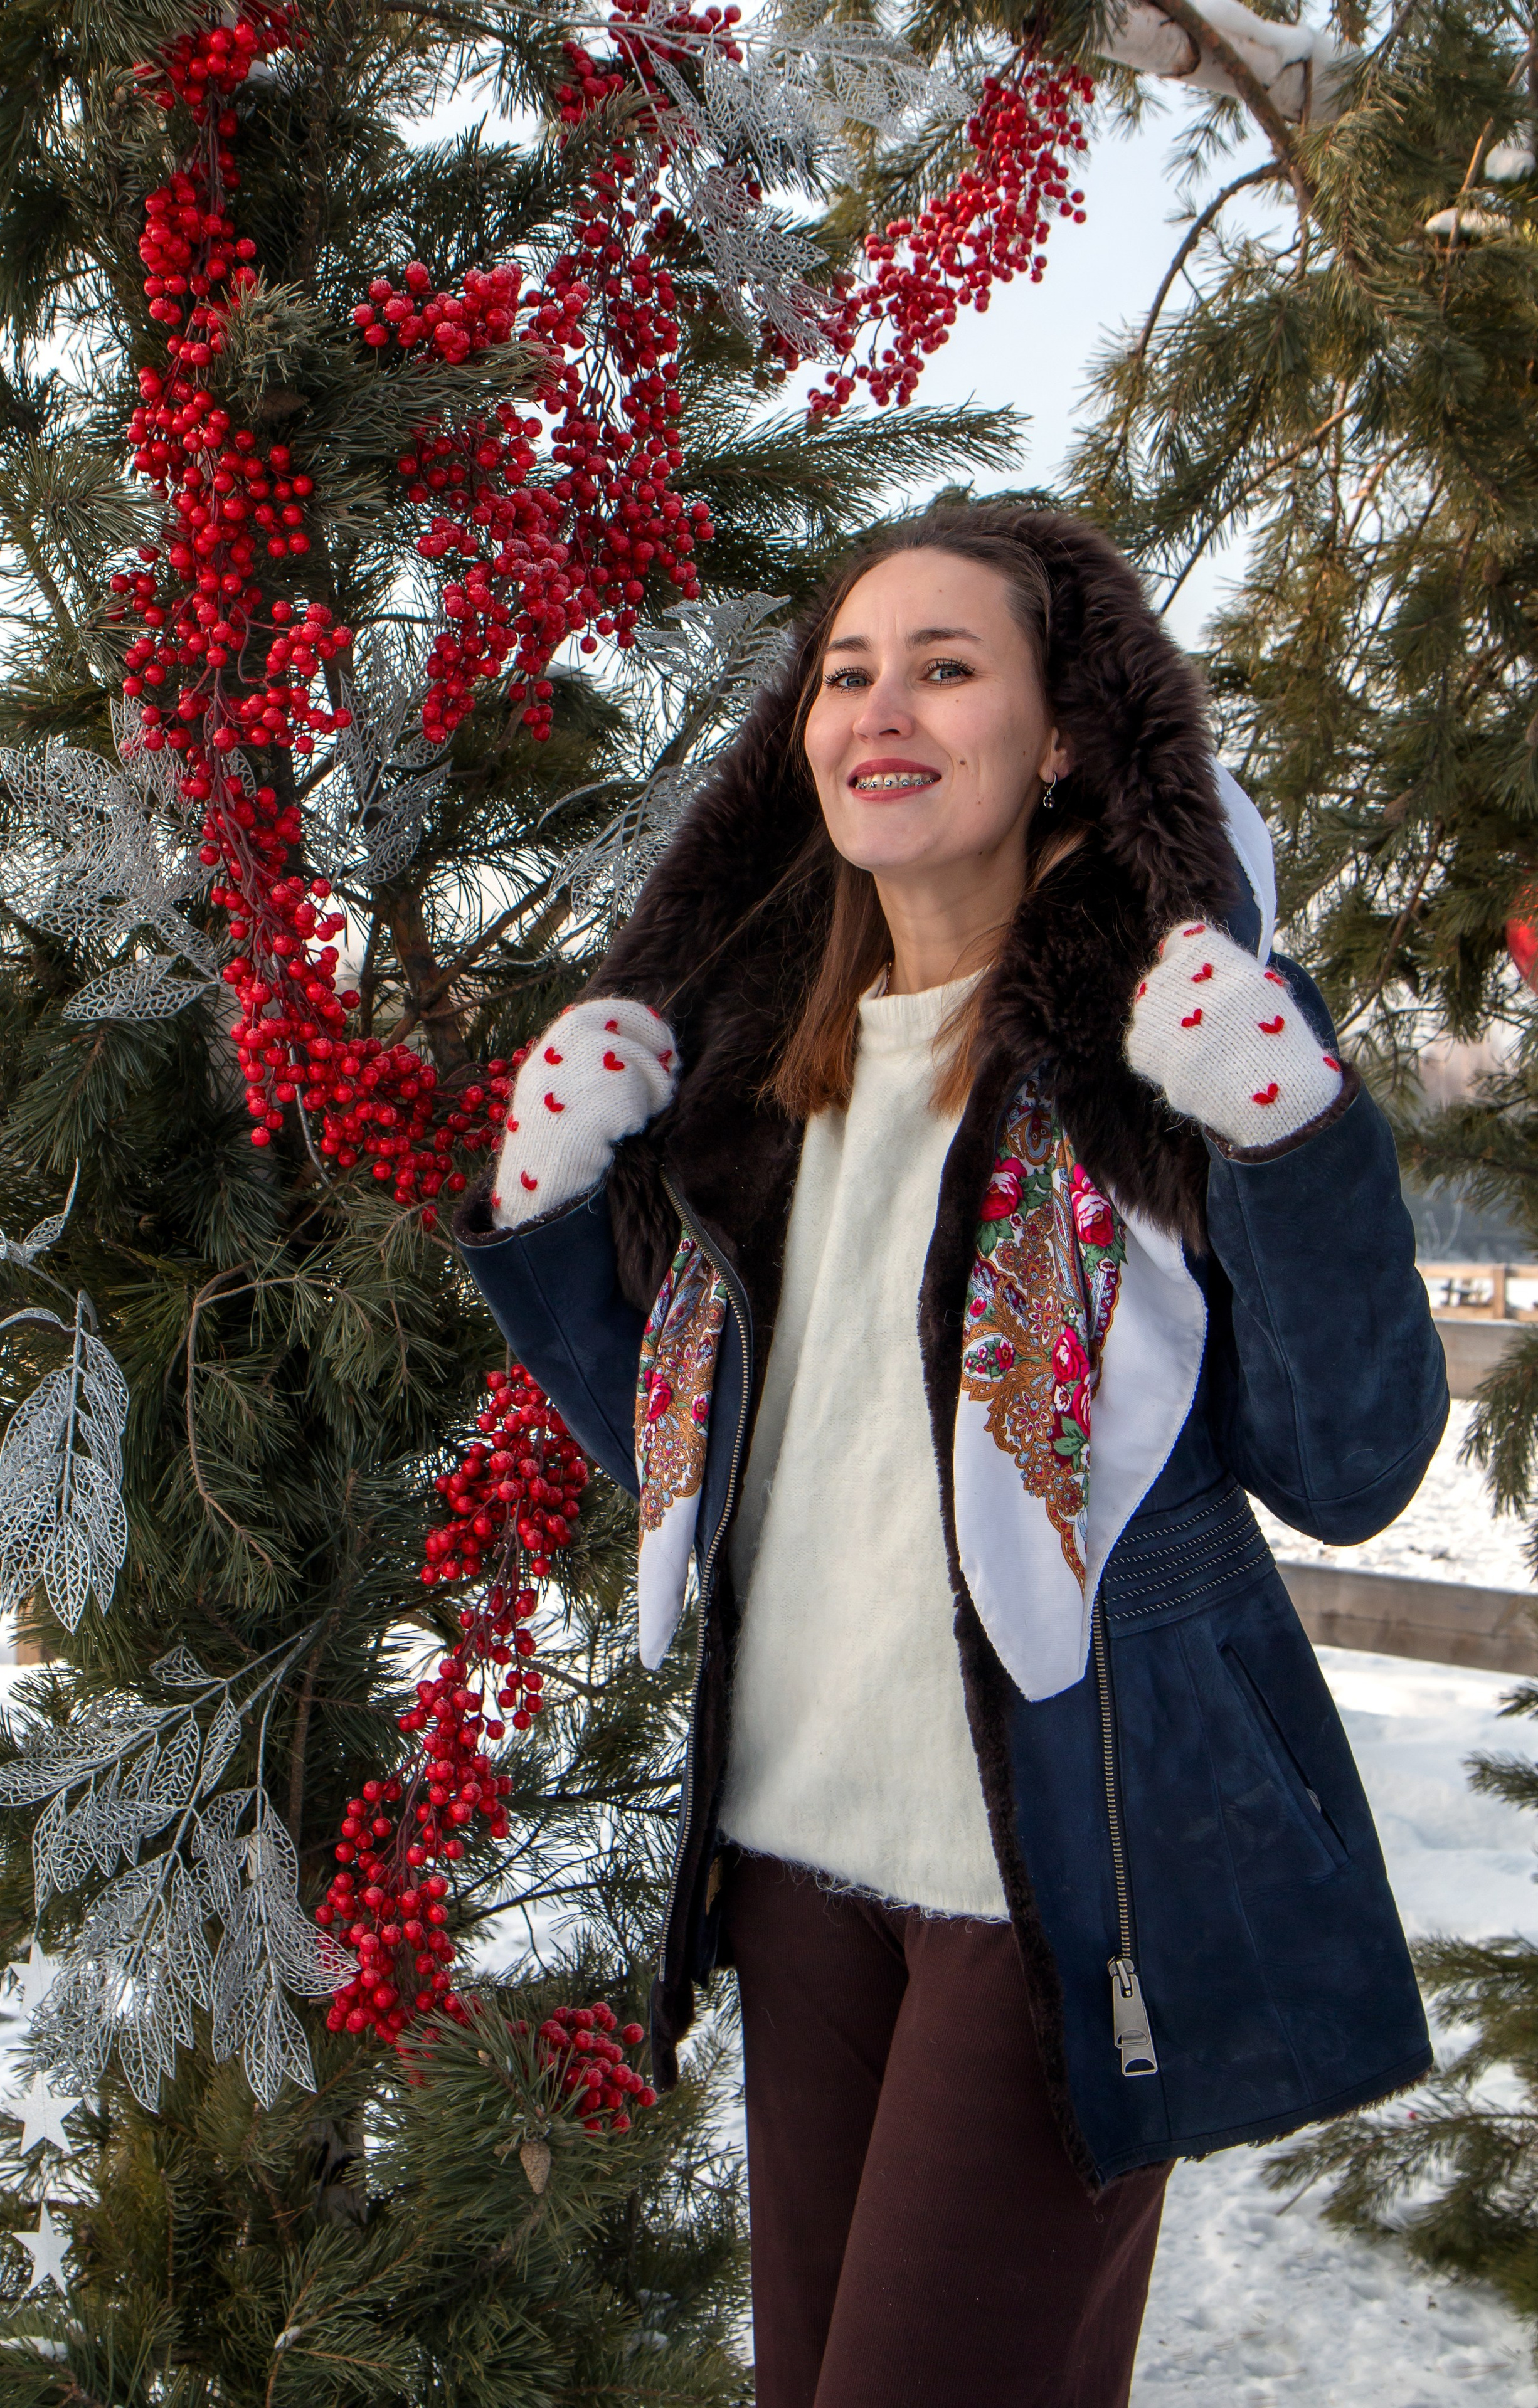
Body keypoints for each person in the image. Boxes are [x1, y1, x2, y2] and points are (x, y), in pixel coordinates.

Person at [455, 505, 1446, 2407]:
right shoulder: (748, 1078)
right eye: (846, 672)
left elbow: (1352, 1462)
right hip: (793, 1865)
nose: (880, 708)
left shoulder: (1170, 1054)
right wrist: (559, 1222)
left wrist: (1290, 1138)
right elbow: (700, 1483)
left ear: (1063, 732)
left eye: (947, 664)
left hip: (1053, 1880)